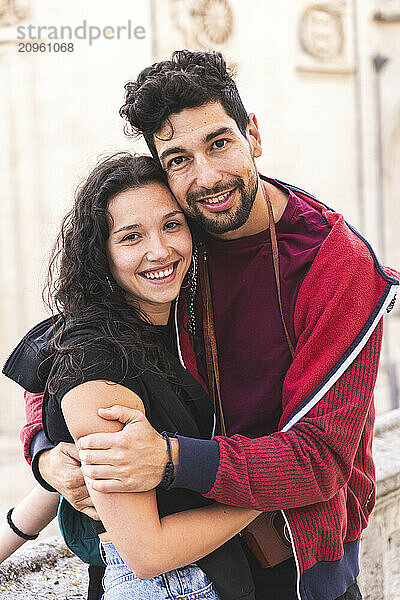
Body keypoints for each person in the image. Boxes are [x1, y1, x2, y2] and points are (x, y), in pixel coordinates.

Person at [19, 51, 399, 600]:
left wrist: (169, 458)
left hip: (299, 567)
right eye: (178, 159)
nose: (206, 176)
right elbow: (74, 341)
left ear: (253, 135)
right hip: (199, 562)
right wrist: (47, 453)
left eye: (219, 143)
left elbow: (324, 459)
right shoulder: (175, 241)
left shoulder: (333, 264)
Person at [3, 153, 260, 599]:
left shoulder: (173, 327)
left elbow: (75, 464)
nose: (159, 251)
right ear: (100, 252)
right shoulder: (96, 358)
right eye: (130, 237)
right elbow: (147, 552)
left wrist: (44, 464)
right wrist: (274, 491)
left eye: (172, 225)